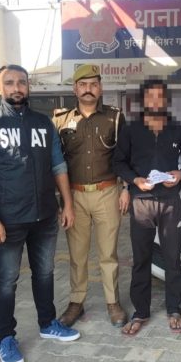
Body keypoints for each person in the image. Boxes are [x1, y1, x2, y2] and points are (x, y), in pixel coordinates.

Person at [0, 64, 80, 362]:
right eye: (9, 83)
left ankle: (47, 323)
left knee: (45, 273)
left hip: (45, 216)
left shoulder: (44, 123)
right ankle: (5, 337)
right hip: (7, 220)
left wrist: (67, 204)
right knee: (6, 280)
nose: (16, 88)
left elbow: (58, 166)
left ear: (28, 87)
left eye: (22, 82)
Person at [112, 79, 181, 336]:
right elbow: (118, 162)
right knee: (141, 259)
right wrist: (134, 180)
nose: (155, 101)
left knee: (172, 258)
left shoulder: (177, 128)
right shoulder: (131, 129)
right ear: (143, 100)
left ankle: (174, 308)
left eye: (160, 96)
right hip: (141, 203)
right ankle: (141, 311)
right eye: (150, 97)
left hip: (170, 203)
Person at [52, 64, 128, 328]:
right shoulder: (60, 120)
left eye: (93, 84)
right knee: (77, 254)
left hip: (108, 192)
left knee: (108, 253)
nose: (88, 89)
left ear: (101, 88)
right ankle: (76, 301)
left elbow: (125, 155)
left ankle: (112, 302)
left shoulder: (115, 118)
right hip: (74, 196)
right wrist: (61, 202)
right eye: (83, 85)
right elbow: (55, 163)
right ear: (75, 89)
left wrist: (126, 188)